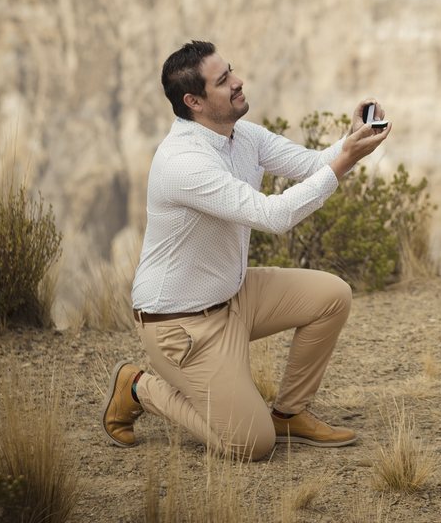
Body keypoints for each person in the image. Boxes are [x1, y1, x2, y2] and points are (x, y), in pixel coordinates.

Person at [100, 40, 391, 461]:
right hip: (181, 326)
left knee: (332, 296)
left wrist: (352, 140)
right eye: (223, 81)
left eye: (231, 71)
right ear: (193, 102)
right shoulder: (183, 162)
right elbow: (273, 215)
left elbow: (312, 165)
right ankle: (137, 387)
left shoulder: (242, 135)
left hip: (233, 297)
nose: (238, 82)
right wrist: (344, 162)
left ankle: (289, 413)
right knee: (251, 445)